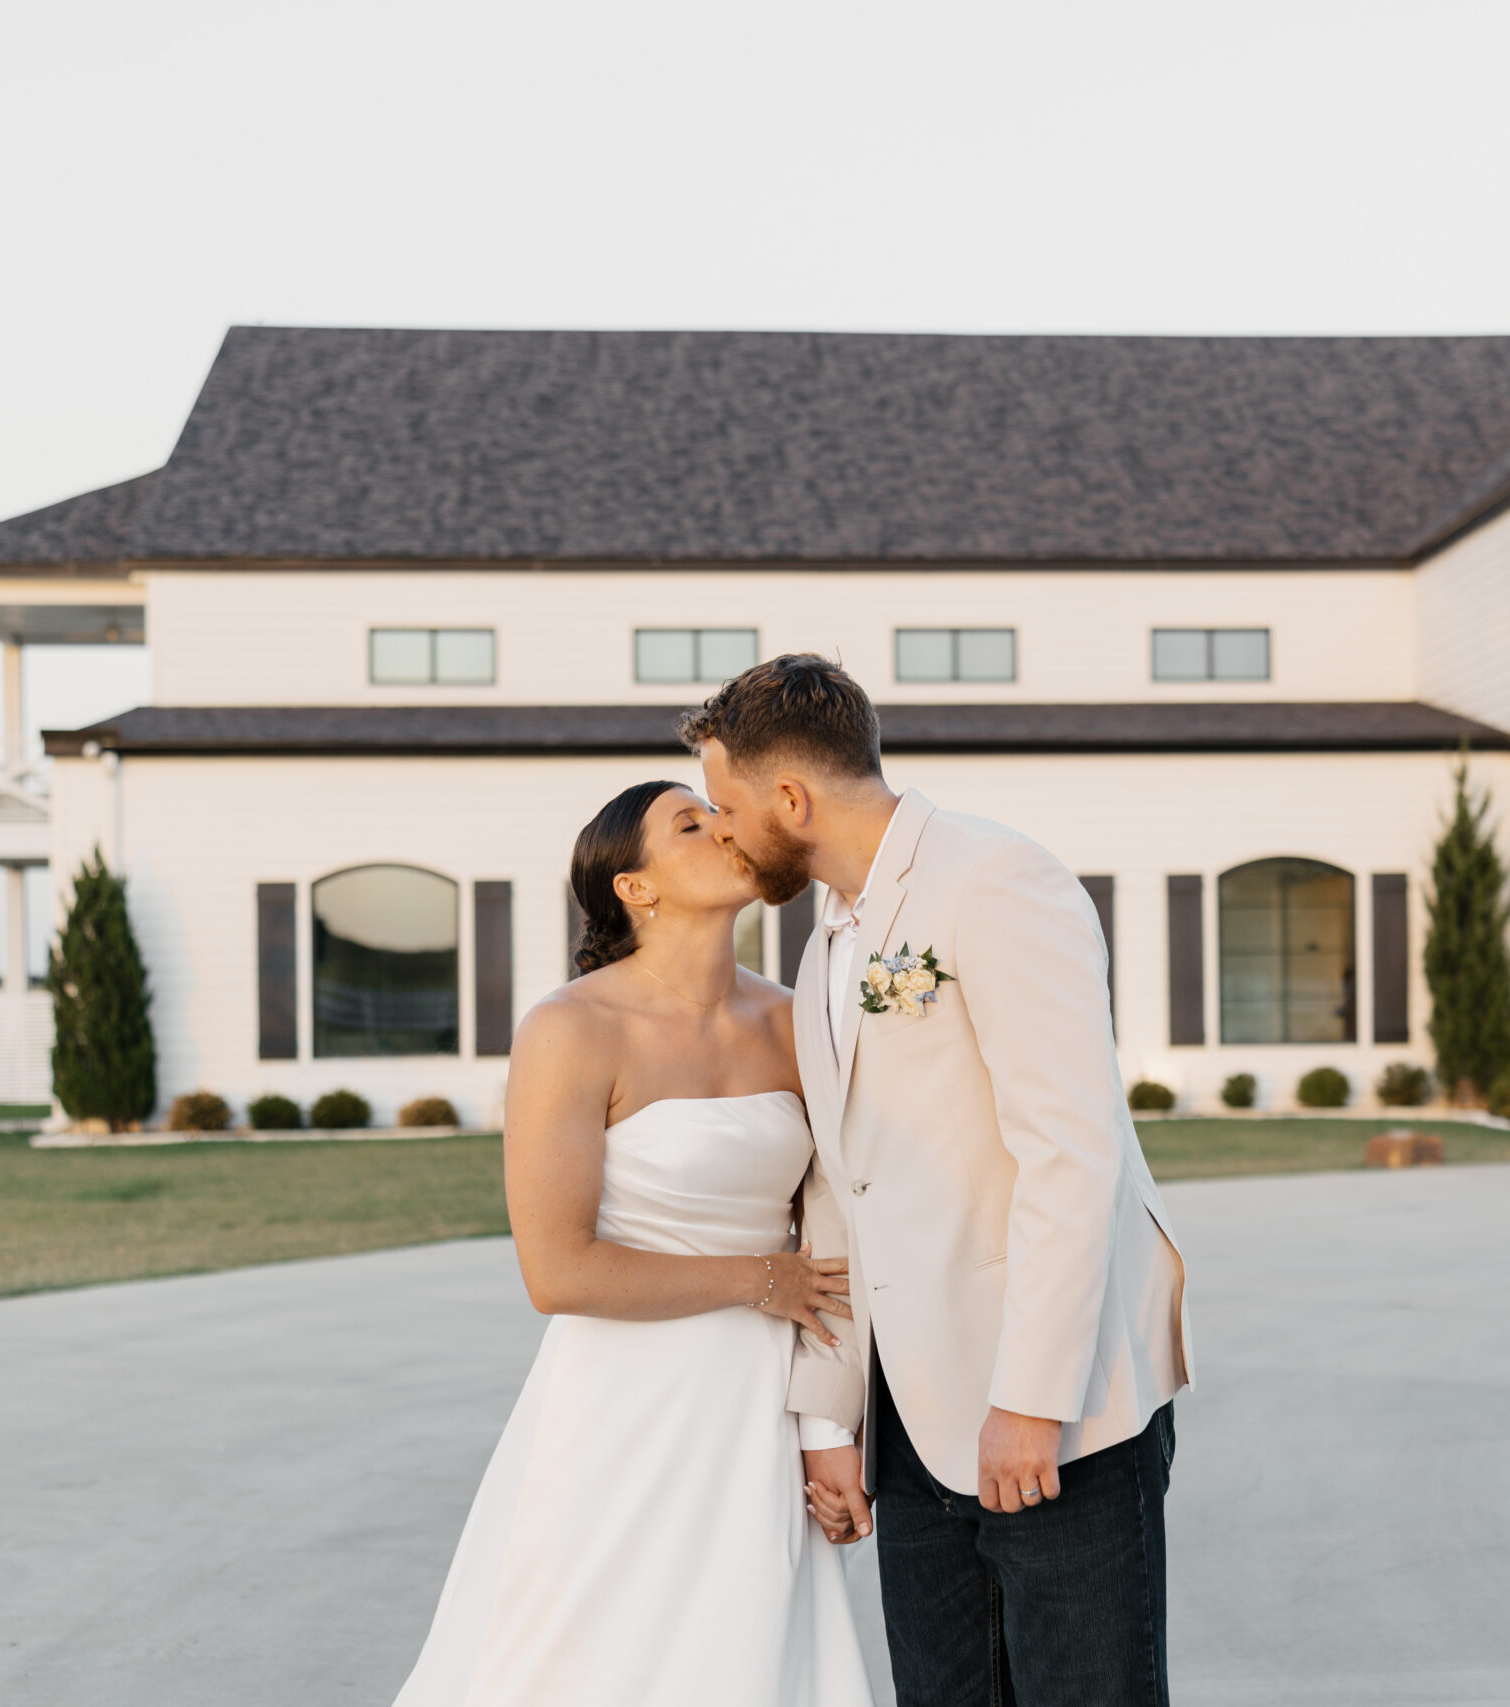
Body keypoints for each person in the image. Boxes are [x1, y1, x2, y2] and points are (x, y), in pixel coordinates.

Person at [683, 655, 1193, 1706]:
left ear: (791, 798)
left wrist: (1028, 1399)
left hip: (1053, 1414)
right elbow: (836, 1191)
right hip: (910, 1424)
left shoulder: (995, 879)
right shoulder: (825, 945)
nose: (721, 831)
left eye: (727, 807)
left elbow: (1071, 1152)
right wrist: (832, 1421)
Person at [391, 779, 874, 1707]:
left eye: (717, 812)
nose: (722, 828)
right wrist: (757, 1278)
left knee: (746, 1651)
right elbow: (556, 1269)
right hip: (622, 1404)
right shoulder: (571, 1029)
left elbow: (832, 1236)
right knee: (592, 1652)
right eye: (690, 824)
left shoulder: (792, 1020)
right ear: (634, 888)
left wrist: (827, 1429)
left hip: (759, 1405)